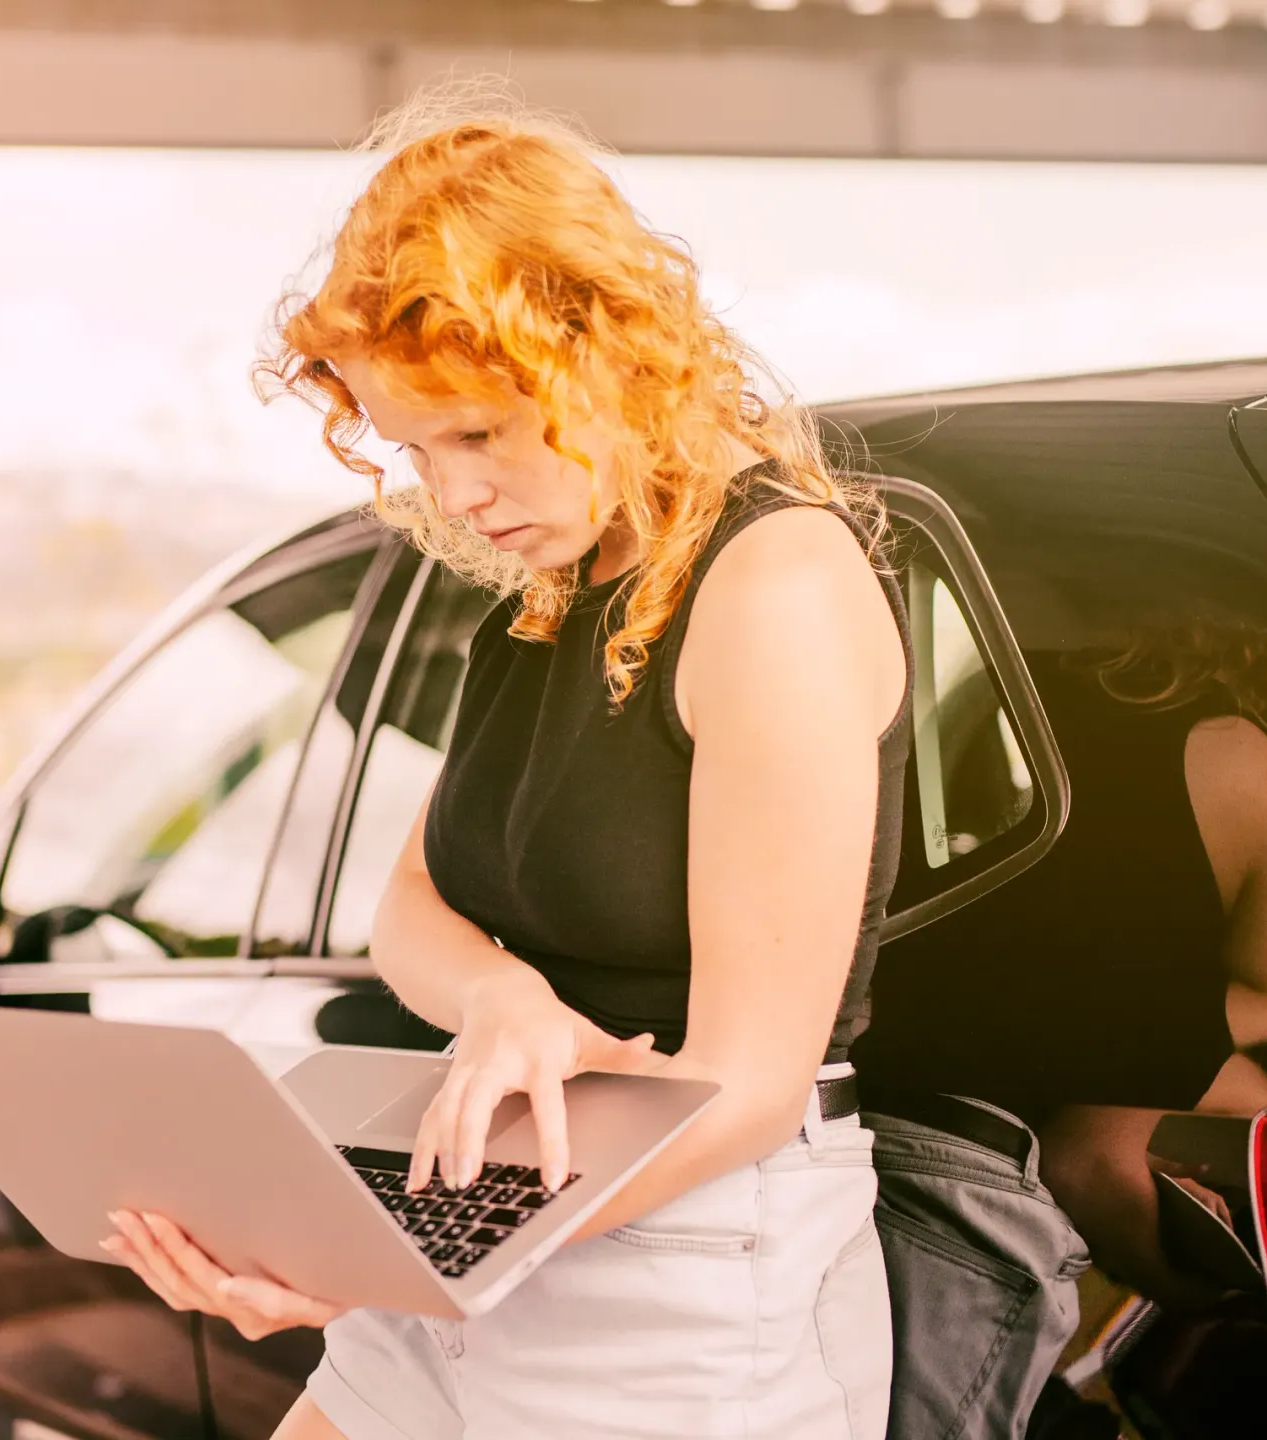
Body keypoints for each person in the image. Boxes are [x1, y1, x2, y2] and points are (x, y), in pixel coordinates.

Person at [98, 86, 912, 1440]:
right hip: (487, 1215)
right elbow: (411, 904)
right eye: (417, 449)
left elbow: (752, 1084)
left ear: (606, 352)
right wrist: (503, 1001)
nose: (454, 498)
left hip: (686, 1289)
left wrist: (380, 1256)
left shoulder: (773, 583)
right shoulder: (549, 598)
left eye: (476, 431)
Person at [852, 618, 1267, 1438]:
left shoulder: (943, 663)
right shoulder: (1233, 752)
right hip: (969, 1205)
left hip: (838, 1113)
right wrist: (1157, 1056)